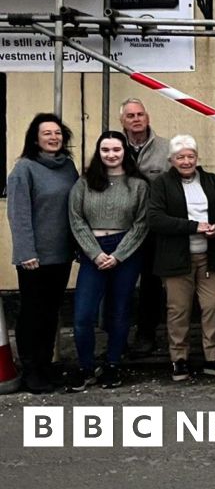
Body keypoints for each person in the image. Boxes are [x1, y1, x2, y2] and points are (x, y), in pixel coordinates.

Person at [148, 135, 215, 381]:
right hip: (177, 258)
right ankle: (179, 359)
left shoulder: (211, 180)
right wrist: (193, 226)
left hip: (211, 256)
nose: (186, 161)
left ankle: (214, 357)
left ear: (197, 158)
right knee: (178, 309)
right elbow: (155, 218)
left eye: (190, 156)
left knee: (212, 306)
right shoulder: (161, 184)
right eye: (180, 157)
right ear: (171, 160)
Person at [66, 131, 149, 391]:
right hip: (93, 251)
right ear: (98, 152)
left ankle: (113, 364)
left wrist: (118, 255)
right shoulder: (84, 182)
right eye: (105, 150)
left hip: (125, 251)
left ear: (125, 151)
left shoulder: (138, 185)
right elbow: (76, 219)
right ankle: (86, 366)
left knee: (119, 311)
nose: (111, 155)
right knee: (83, 315)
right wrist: (95, 253)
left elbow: (141, 223)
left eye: (116, 149)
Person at [6, 113, 79, 394]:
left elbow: (74, 208)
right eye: (46, 133)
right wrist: (26, 252)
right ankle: (31, 370)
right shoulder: (24, 169)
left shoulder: (67, 167)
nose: (53, 137)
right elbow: (19, 215)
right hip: (34, 258)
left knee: (50, 314)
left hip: (60, 256)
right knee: (32, 315)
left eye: (57, 132)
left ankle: (46, 365)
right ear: (35, 138)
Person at [120, 98, 170, 355]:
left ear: (147, 117)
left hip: (152, 230)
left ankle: (146, 334)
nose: (136, 119)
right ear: (123, 122)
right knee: (120, 284)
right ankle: (116, 336)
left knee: (151, 284)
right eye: (131, 116)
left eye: (140, 114)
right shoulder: (113, 147)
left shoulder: (166, 149)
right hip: (121, 229)